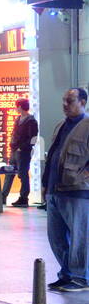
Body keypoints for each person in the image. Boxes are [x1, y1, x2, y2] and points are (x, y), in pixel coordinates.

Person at [42, 87, 89, 292]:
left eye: (70, 101)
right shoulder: (61, 125)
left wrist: (84, 176)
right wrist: (45, 184)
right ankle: (67, 273)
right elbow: (53, 154)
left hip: (77, 191)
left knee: (80, 236)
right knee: (56, 237)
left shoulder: (87, 125)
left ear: (83, 102)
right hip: (55, 189)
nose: (65, 105)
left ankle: (81, 277)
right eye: (64, 100)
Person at [7, 98, 38, 207]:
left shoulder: (31, 121)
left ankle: (24, 197)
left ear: (20, 107)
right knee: (9, 172)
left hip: (23, 152)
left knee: (23, 174)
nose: (15, 109)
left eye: (16, 106)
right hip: (14, 150)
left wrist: (23, 148)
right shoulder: (18, 119)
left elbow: (33, 138)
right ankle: (3, 196)